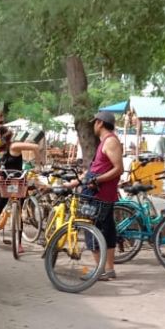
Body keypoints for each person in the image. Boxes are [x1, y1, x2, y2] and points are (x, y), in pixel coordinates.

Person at [65, 111, 123, 281]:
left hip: (98, 194)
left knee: (90, 230)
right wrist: (74, 183)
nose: (93, 126)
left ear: (99, 123)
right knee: (107, 229)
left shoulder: (110, 141)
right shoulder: (104, 142)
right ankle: (108, 269)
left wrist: (97, 180)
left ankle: (100, 270)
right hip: (100, 192)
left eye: (94, 123)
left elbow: (118, 169)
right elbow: (94, 169)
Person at [0, 126, 40, 254]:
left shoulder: (13, 146)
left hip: (18, 184)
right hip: (6, 184)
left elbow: (35, 147)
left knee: (17, 214)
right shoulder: (1, 149)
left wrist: (39, 164)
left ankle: (19, 244)